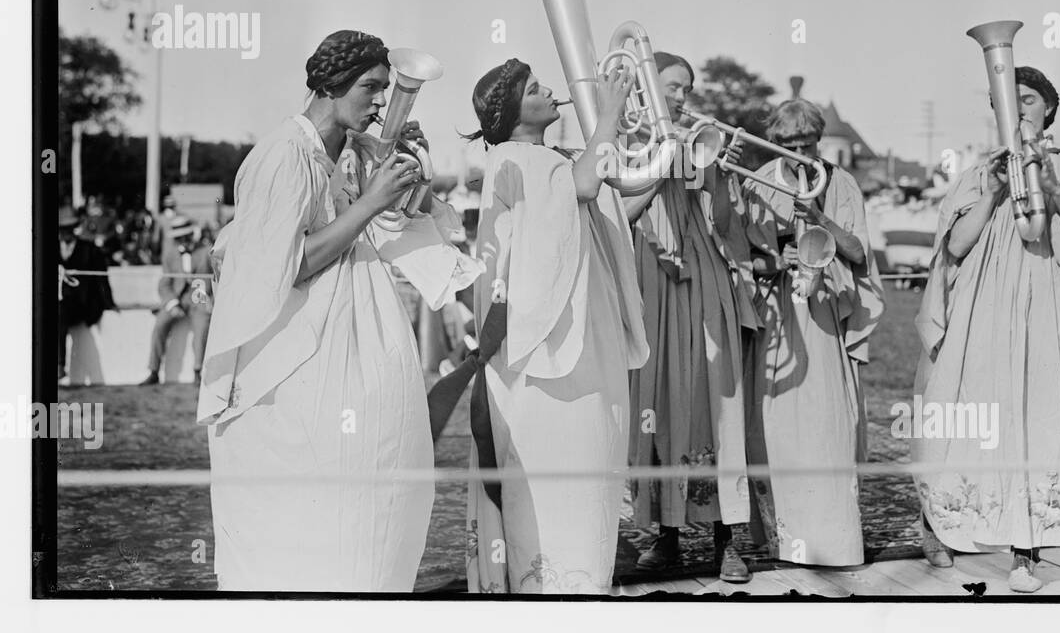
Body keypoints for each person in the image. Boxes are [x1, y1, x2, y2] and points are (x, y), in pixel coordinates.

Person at [198, 30, 482, 592]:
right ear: (329, 86)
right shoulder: (282, 155)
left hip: (353, 333)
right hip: (294, 357)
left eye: (385, 87)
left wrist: (406, 178)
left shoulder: (346, 151)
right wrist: (372, 199)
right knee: (311, 509)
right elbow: (293, 265)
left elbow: (393, 226)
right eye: (371, 87)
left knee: (373, 487)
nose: (382, 101)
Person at [911, 67, 1060, 592]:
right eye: (1006, 102)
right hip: (983, 310)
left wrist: (1050, 185)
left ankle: (1025, 552)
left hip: (1051, 305)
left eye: (1028, 99)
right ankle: (943, 525)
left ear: (1049, 108)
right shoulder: (976, 171)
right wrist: (988, 193)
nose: (1018, 109)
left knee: (1041, 418)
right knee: (975, 413)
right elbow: (955, 249)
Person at [464, 57, 648, 595]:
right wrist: (609, 115)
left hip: (583, 337)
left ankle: (581, 589)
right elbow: (587, 185)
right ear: (511, 110)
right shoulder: (514, 158)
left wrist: (660, 164)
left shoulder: (551, 160)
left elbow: (596, 211)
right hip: (546, 355)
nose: (550, 91)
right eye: (534, 88)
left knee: (592, 472)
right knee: (559, 479)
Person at [622, 52, 760, 583]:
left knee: (716, 403)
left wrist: (722, 173)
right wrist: (664, 158)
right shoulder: (625, 143)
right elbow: (623, 209)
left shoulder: (702, 139)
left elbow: (724, 223)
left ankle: (729, 539)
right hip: (651, 277)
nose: (682, 98)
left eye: (686, 89)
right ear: (646, 90)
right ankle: (667, 535)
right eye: (673, 88)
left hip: (703, 275)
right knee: (658, 400)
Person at [742, 99, 885, 568]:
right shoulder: (756, 178)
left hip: (823, 315)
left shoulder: (839, 182)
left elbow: (860, 255)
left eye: (806, 143)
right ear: (774, 142)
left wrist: (820, 219)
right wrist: (773, 261)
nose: (798, 152)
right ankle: (782, 542)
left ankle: (832, 539)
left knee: (827, 425)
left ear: (819, 140)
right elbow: (740, 257)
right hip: (777, 314)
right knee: (776, 429)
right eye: (787, 144)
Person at [140, 216, 214, 385]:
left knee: (202, 327)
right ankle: (153, 371)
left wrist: (209, 300)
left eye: (185, 236)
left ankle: (198, 372)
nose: (182, 240)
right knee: (159, 325)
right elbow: (164, 284)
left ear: (191, 234)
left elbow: (216, 279)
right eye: (178, 237)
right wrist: (172, 303)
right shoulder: (169, 254)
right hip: (176, 298)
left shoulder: (206, 251)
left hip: (199, 297)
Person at [57, 205, 117, 385]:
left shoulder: (89, 250)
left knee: (59, 313)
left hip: (82, 304)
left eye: (69, 229)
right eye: (62, 230)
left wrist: (109, 304)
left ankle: (59, 365)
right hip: (59, 304)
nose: (66, 233)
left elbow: (102, 280)